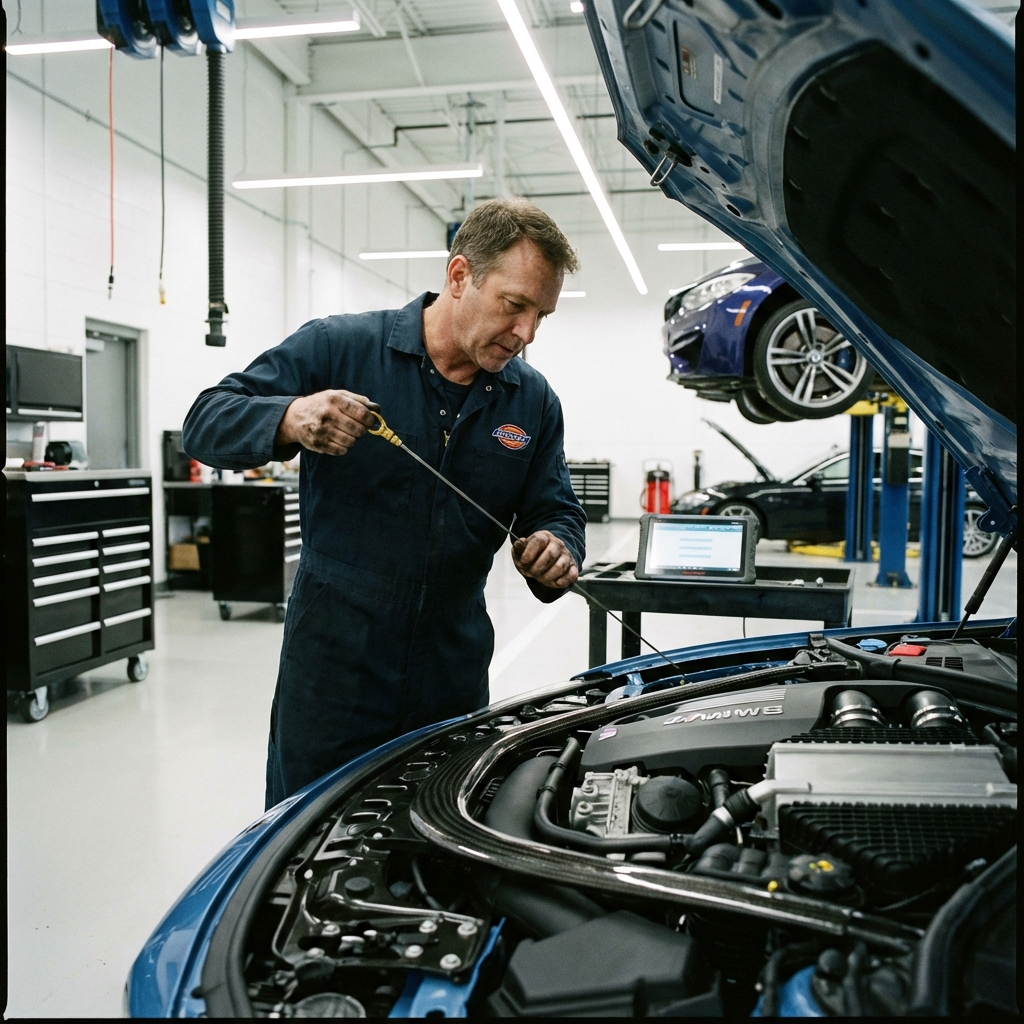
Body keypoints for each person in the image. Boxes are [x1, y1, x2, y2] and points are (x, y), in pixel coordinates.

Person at [182, 198, 587, 808]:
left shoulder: (531, 401)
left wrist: (557, 544)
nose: (526, 333)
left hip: (450, 677)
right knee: (309, 843)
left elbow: (554, 507)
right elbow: (205, 421)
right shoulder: (339, 348)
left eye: (541, 315)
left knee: (438, 849)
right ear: (458, 276)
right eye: (514, 306)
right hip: (334, 671)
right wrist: (290, 417)